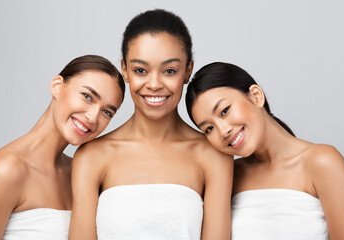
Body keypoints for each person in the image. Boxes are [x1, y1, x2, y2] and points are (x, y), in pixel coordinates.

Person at [69, 10, 233, 240]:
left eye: (169, 71)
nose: (154, 84)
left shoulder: (214, 155)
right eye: (140, 70)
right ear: (124, 69)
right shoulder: (91, 156)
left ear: (188, 71)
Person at [185, 62, 344, 240]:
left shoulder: (322, 162)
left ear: (256, 96)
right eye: (209, 128)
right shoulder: (230, 175)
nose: (223, 131)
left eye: (224, 111)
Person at [0, 55, 125, 240]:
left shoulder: (81, 172)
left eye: (107, 112)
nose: (93, 117)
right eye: (87, 96)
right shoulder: (8, 168)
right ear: (57, 86)